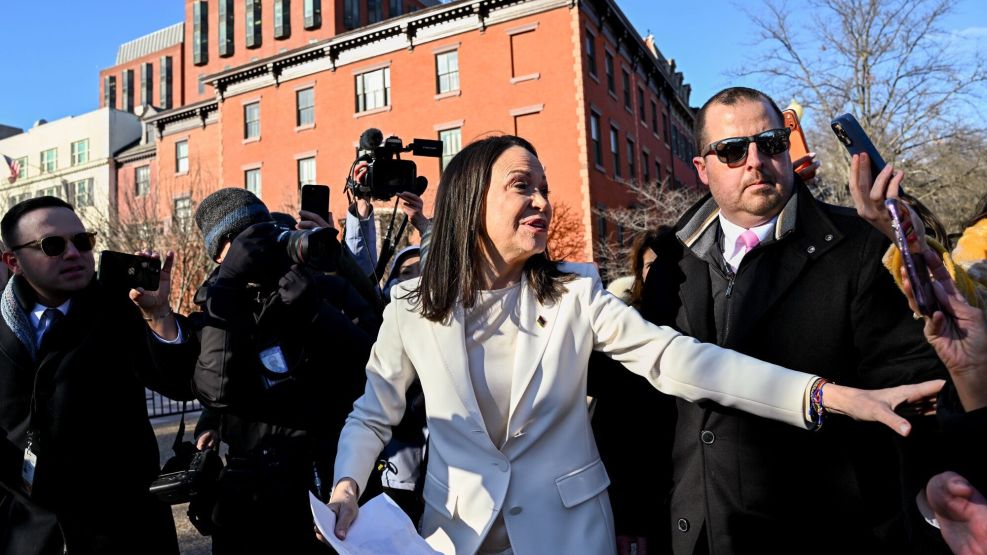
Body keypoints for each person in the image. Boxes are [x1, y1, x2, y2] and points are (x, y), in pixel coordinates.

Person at [323, 135, 942, 555]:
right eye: (521, 186)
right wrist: (347, 486)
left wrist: (828, 396)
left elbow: (682, 360)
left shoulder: (576, 293)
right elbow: (372, 413)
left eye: (544, 185)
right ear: (470, 202)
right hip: (453, 538)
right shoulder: (409, 305)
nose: (542, 200)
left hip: (569, 537)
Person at [640, 87, 948, 553]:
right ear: (702, 170)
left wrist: (933, 493)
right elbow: (647, 411)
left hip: (829, 533)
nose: (755, 161)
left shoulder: (862, 246)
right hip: (698, 534)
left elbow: (911, 394)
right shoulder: (669, 264)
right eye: (731, 150)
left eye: (770, 143)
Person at [0, 196, 197, 554]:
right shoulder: (3, 327)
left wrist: (159, 316)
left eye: (82, 240)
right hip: (28, 533)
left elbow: (181, 383)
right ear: (14, 261)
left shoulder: (122, 307)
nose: (73, 253)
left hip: (125, 531)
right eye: (52, 245)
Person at [190, 188, 371, 554]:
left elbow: (375, 368)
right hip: (251, 495)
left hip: (328, 479)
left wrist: (317, 314)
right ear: (222, 252)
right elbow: (215, 391)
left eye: (267, 230)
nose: (262, 245)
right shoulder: (214, 304)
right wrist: (227, 292)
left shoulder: (322, 287)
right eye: (248, 240)